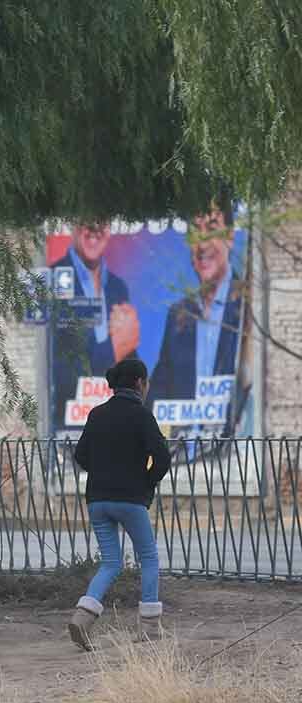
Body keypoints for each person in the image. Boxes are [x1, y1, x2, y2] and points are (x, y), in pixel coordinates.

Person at [68, 358, 172, 650]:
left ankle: (82, 618)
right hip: (130, 500)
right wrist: (145, 482)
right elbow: (163, 457)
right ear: (140, 383)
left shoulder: (97, 414)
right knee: (149, 558)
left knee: (111, 562)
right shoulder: (141, 415)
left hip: (98, 500)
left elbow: (81, 455)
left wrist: (104, 474)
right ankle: (150, 627)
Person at [148, 206, 243, 406]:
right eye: (195, 231)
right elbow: (158, 396)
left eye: (212, 228)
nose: (202, 243)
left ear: (230, 236)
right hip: (183, 438)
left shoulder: (249, 307)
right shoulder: (178, 315)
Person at [50, 222, 141, 430]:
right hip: (70, 426)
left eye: (102, 221)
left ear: (109, 228)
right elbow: (59, 368)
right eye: (86, 219)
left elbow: (128, 356)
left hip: (113, 420)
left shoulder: (117, 287)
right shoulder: (53, 279)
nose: (94, 229)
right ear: (73, 224)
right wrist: (114, 349)